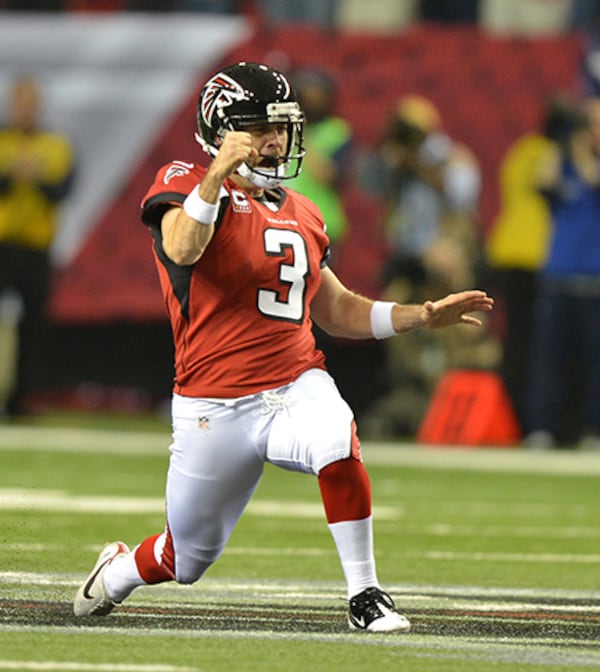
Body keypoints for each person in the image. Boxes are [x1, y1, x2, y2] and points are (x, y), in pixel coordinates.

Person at [73, 62, 493, 632]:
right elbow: (182, 248)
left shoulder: (303, 210)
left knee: (336, 442)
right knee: (186, 559)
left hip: (294, 381)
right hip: (213, 403)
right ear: (223, 130)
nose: (276, 140)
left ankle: (365, 594)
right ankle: (118, 573)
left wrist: (419, 316)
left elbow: (337, 309)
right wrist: (215, 176)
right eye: (261, 127)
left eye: (281, 127)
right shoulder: (183, 181)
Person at [485, 95, 580, 428]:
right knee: (537, 344)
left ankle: (511, 415)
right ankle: (527, 418)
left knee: (515, 339)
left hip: (505, 248)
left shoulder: (522, 149)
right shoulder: (553, 155)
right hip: (536, 254)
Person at [523, 96, 600, 450]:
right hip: (558, 276)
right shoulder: (562, 164)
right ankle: (542, 427)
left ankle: (591, 429)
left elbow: (593, 179)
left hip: (594, 278)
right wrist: (561, 142)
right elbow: (543, 179)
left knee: (594, 360)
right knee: (548, 358)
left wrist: (583, 148)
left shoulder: (586, 166)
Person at [0, 75, 76, 417]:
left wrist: (37, 177)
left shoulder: (57, 145)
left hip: (35, 247)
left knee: (32, 328)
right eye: (21, 103)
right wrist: (12, 174)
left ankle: (21, 400)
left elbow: (61, 192)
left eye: (30, 103)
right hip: (2, 242)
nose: (25, 110)